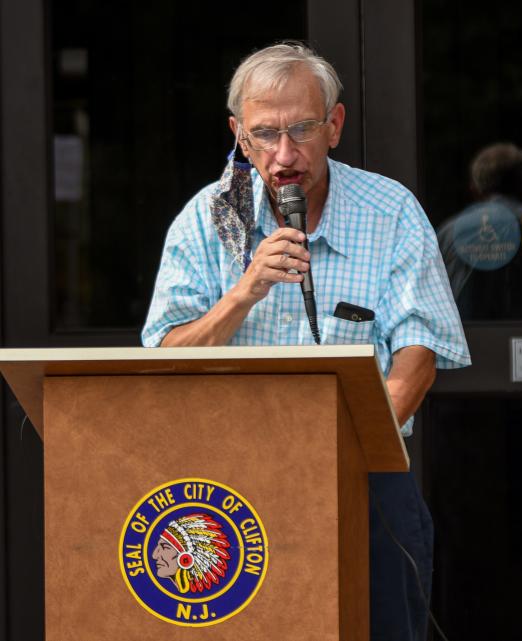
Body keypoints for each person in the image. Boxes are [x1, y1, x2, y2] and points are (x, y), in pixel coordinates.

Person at [141, 43, 471, 641]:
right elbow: (165, 359)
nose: (285, 154)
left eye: (302, 129)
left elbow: (417, 359)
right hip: (226, 487)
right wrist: (244, 292)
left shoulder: (390, 211)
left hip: (364, 476)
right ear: (239, 135)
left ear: (335, 126)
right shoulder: (203, 218)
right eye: (266, 134)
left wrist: (342, 457)